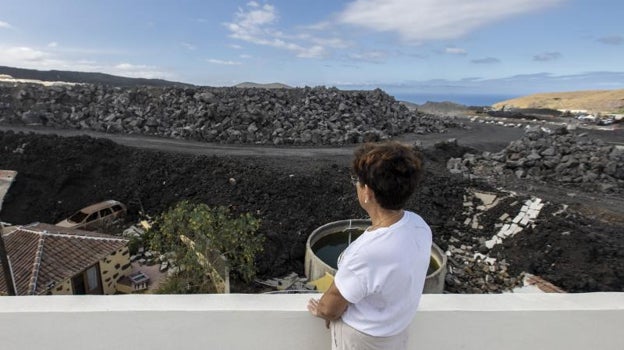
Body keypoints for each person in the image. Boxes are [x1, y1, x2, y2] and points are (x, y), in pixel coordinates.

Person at [307, 141, 432, 350]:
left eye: (358, 181)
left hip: (363, 340)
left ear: (368, 193)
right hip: (396, 332)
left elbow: (331, 307)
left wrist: (322, 310)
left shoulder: (367, 252)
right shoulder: (419, 226)